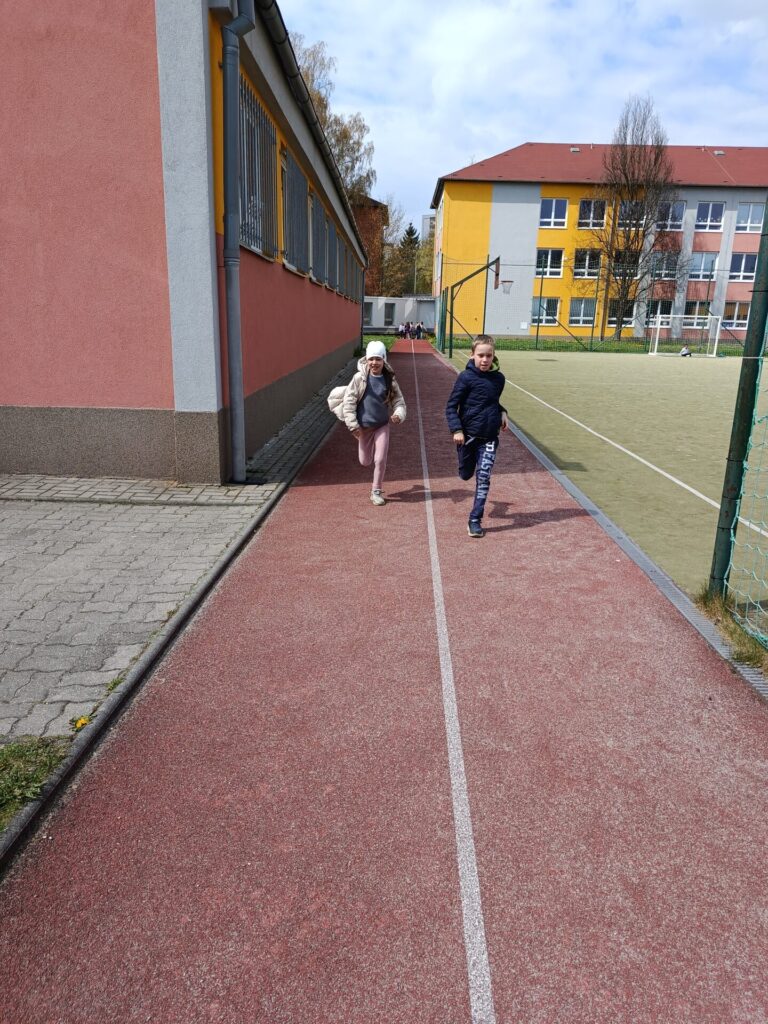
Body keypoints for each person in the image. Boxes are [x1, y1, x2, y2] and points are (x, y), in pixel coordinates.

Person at [445, 334, 508, 538]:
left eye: (489, 355)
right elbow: (451, 406)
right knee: (466, 474)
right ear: (472, 355)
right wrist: (457, 430)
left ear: (494, 356)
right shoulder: (466, 377)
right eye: (481, 355)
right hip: (467, 437)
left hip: (489, 438)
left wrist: (503, 412)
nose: (485, 359)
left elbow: (491, 401)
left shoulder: (499, 379)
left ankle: (474, 519)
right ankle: (465, 467)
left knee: (484, 476)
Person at [342, 340, 407, 506]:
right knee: (365, 461)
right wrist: (353, 425)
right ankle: (365, 443)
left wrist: (398, 414)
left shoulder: (389, 380)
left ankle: (376, 490)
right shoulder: (359, 379)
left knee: (380, 459)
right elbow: (349, 402)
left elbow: (399, 401)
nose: (374, 363)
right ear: (366, 360)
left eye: (378, 359)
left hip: (382, 425)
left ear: (384, 360)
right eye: (371, 359)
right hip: (363, 428)